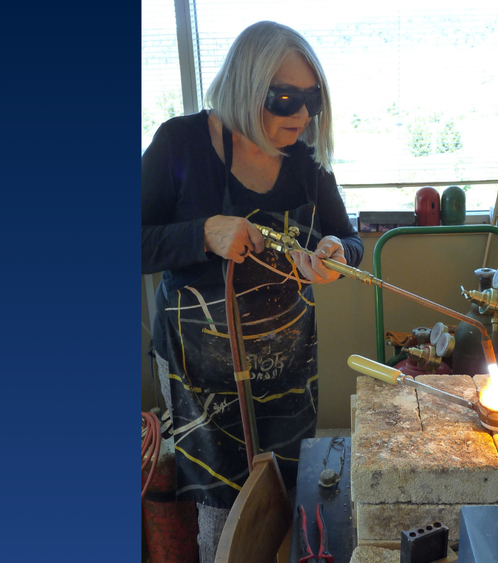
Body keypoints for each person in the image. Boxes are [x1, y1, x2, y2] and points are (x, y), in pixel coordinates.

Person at [142, 20, 363, 563]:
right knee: (222, 519)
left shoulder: (305, 159)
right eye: (286, 99)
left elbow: (351, 238)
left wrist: (336, 251)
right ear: (245, 85)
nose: (303, 116)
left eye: (311, 100)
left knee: (291, 499)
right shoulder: (181, 145)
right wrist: (203, 233)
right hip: (201, 384)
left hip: (289, 374)